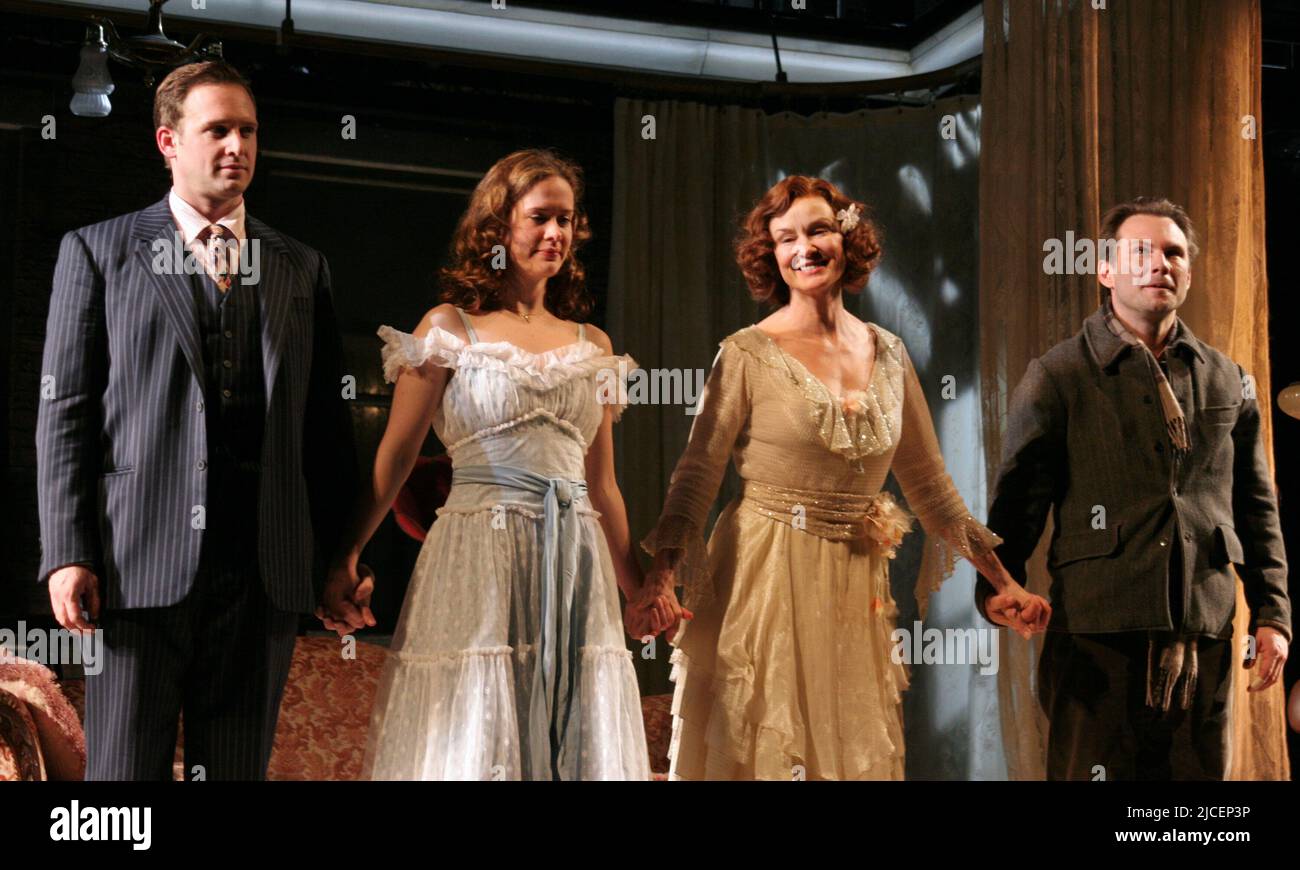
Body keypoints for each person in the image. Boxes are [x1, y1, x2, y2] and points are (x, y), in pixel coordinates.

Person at [633, 176, 1049, 780]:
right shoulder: (746, 353)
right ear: (770, 256)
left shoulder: (889, 351)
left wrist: (1004, 583)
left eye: (819, 229)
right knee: (764, 748)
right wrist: (660, 579)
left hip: (856, 585)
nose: (805, 247)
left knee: (849, 754)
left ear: (847, 236)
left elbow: (932, 492)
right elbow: (695, 477)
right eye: (786, 238)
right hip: (762, 575)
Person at [37, 61, 357, 780]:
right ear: (168, 141)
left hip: (264, 569)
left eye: (247, 131)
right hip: (135, 565)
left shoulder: (301, 268)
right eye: (217, 130)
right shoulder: (98, 251)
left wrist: (337, 558)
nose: (236, 146)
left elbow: (325, 433)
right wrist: (66, 551)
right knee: (121, 784)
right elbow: (65, 416)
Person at [321, 149, 653, 780]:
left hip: (573, 555)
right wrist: (346, 555)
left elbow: (602, 485)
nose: (555, 233)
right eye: (539, 218)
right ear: (499, 228)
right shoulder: (449, 331)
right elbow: (394, 459)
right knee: (478, 723)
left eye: (566, 220)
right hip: (479, 549)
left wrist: (640, 590)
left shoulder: (592, 346)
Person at [980, 197, 1291, 780]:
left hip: (1205, 631)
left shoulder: (1227, 378)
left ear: (1189, 272)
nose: (1159, 263)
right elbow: (1016, 504)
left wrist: (1273, 614)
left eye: (1173, 252)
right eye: (1140, 251)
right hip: (1098, 638)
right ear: (1105, 271)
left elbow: (1256, 507)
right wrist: (997, 586)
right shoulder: (1059, 374)